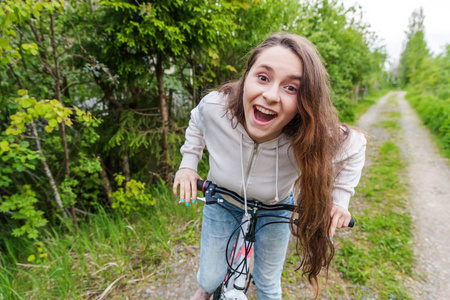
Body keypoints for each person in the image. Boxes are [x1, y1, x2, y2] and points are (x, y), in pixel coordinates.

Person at [173, 33, 366, 300]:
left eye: (291, 88)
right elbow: (197, 121)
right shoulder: (216, 108)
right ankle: (205, 290)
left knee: (268, 284)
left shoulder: (306, 133)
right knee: (209, 277)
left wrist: (340, 200)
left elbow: (356, 145)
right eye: (263, 77)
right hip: (222, 200)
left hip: (275, 208)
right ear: (246, 76)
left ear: (305, 101)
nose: (271, 95)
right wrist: (187, 165)